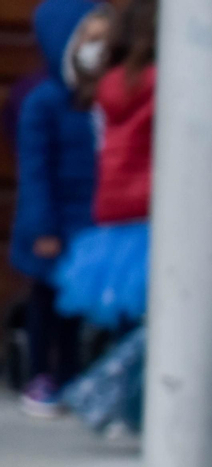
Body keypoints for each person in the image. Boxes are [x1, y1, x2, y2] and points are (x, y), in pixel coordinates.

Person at [53, 0, 156, 434]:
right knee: (156, 318)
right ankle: (115, 398)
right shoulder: (162, 82)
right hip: (152, 204)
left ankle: (117, 405)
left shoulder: (110, 83)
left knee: (124, 316)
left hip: (112, 207)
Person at [9, 0, 106, 417]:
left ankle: (70, 373)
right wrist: (42, 227)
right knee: (46, 302)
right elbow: (34, 172)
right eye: (89, 39)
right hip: (51, 223)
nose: (98, 49)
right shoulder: (43, 102)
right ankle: (41, 373)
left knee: (74, 306)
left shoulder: (100, 101)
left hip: (87, 221)